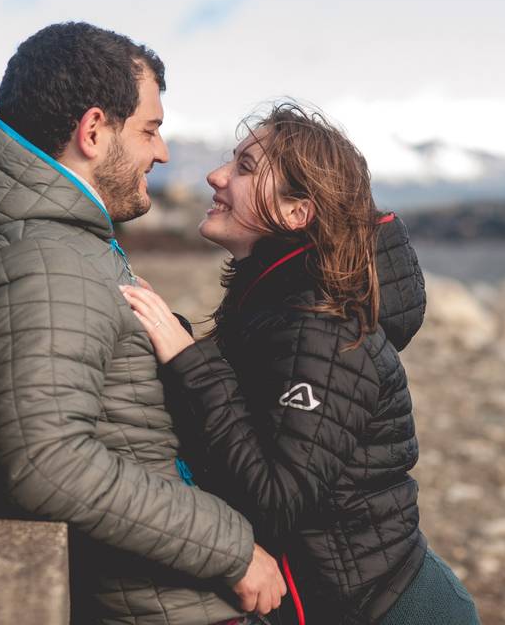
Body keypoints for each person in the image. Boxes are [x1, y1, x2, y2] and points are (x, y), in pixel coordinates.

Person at [0, 22, 285, 624]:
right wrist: (231, 548)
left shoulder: (61, 246)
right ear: (94, 131)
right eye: (150, 130)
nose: (163, 153)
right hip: (167, 606)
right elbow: (51, 461)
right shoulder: (45, 260)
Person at [121, 104, 481, 624]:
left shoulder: (322, 330)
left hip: (394, 611)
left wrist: (189, 360)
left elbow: (276, 500)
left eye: (244, 168)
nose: (215, 176)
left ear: (297, 213)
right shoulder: (273, 307)